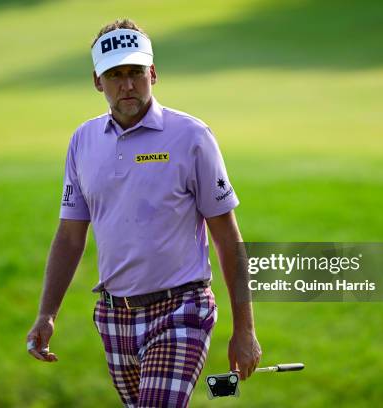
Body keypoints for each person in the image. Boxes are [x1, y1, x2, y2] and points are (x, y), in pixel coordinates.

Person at [26, 18, 261, 407]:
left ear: (153, 72)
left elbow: (226, 236)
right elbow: (70, 237)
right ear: (97, 81)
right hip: (114, 317)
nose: (128, 85)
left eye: (136, 72)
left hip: (182, 309)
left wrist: (245, 328)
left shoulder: (192, 136)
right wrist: (47, 314)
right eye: (115, 75)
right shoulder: (82, 141)